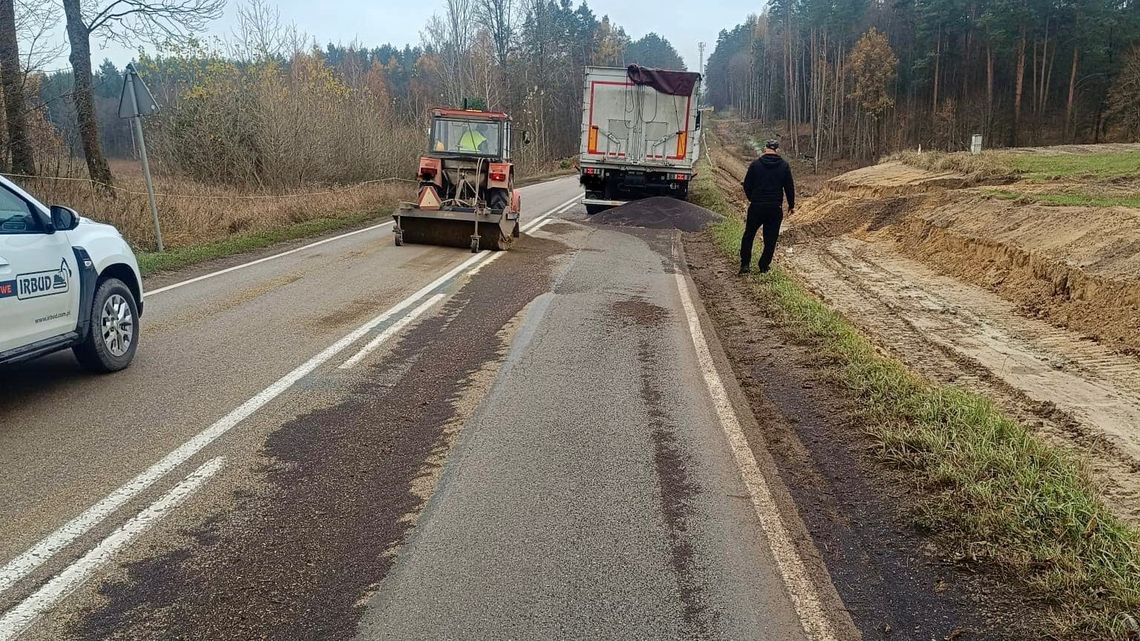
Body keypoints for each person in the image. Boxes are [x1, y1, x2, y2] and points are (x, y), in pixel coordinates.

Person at [740, 139, 795, 275]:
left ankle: (745, 265)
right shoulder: (784, 166)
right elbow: (789, 187)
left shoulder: (755, 165)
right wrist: (791, 205)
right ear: (777, 150)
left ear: (765, 149)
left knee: (749, 235)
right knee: (770, 239)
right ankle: (764, 266)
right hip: (774, 208)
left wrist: (752, 198)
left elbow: (746, 185)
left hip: (757, 206)